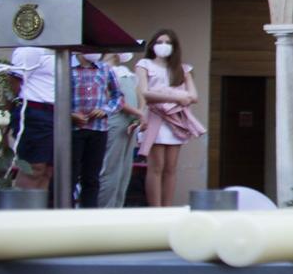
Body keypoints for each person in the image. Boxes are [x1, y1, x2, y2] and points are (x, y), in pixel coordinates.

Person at [135, 29, 204, 210]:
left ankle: (167, 208)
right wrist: (175, 97)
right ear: (152, 45)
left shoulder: (182, 68)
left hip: (175, 120)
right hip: (155, 117)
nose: (163, 46)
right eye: (159, 42)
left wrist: (169, 96)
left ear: (174, 46)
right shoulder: (144, 64)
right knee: (156, 166)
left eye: (167, 42)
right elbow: (145, 93)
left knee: (171, 168)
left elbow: (193, 96)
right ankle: (155, 209)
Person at [67, 52, 119, 209]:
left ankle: (89, 214)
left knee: (92, 176)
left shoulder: (105, 69)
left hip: (98, 129)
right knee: (70, 175)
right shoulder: (66, 67)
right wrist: (69, 114)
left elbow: (118, 96)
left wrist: (106, 110)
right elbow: (54, 96)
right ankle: (65, 214)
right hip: (73, 129)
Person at [8, 45, 57, 195]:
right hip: (34, 111)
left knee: (48, 170)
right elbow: (13, 81)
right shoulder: (30, 49)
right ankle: (21, 214)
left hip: (56, 113)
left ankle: (37, 214)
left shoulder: (58, 47)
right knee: (34, 168)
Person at [97, 51, 142, 207]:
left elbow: (139, 96)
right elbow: (113, 98)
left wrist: (138, 116)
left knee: (124, 170)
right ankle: (105, 211)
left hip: (131, 123)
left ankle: (118, 208)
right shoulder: (102, 70)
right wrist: (139, 113)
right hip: (115, 120)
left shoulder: (126, 73)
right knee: (110, 169)